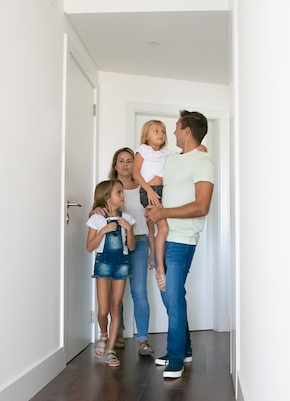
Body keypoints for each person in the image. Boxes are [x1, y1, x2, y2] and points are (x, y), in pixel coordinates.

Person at [145, 110, 215, 379]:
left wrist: (164, 214)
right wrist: (156, 213)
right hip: (165, 235)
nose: (172, 132)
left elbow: (202, 206)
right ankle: (184, 348)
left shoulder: (204, 161)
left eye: (176, 127)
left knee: (172, 296)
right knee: (169, 296)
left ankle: (176, 358)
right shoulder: (174, 160)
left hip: (182, 239)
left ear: (187, 130)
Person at [86, 179, 136, 367]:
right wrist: (103, 231)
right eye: (119, 192)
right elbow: (89, 247)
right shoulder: (96, 219)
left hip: (121, 265)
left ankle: (111, 350)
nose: (123, 196)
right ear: (107, 197)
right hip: (103, 264)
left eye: (122, 192)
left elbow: (130, 247)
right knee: (103, 310)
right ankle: (103, 335)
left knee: (116, 308)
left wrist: (129, 229)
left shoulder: (127, 219)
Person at [132, 120, 171, 293]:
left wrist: (200, 148)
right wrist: (148, 191)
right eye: (156, 131)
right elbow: (135, 172)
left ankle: (153, 258)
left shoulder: (166, 153)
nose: (161, 134)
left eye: (163, 131)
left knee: (152, 228)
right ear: (146, 135)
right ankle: (160, 269)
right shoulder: (143, 150)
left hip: (164, 191)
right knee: (162, 227)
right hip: (150, 191)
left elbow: (184, 156)